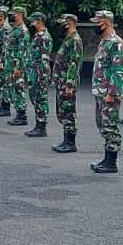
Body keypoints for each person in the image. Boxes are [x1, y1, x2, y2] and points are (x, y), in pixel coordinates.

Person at [89, 10, 123, 175]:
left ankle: (111, 162)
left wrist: (112, 93)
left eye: (97, 22)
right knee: (102, 124)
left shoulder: (116, 42)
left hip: (108, 93)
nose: (95, 25)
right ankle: (106, 158)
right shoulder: (104, 41)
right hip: (101, 90)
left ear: (105, 23)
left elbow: (118, 70)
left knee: (110, 125)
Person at [51, 13, 84, 153]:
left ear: (69, 23)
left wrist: (70, 84)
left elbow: (74, 63)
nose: (60, 25)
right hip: (61, 81)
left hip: (66, 83)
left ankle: (70, 143)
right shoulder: (68, 39)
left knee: (68, 111)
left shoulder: (75, 40)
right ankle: (66, 140)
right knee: (62, 111)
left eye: (62, 23)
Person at [22, 11, 53, 137]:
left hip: (40, 74)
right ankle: (38, 124)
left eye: (33, 20)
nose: (31, 22)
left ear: (40, 20)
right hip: (33, 73)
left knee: (41, 99)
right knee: (35, 99)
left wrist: (41, 77)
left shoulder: (44, 37)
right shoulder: (38, 36)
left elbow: (44, 60)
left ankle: (41, 127)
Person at [5, 7, 31, 126]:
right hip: (10, 65)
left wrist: (18, 67)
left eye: (14, 14)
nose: (12, 16)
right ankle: (18, 113)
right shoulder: (14, 29)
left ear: (20, 15)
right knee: (13, 89)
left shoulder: (23, 30)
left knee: (18, 89)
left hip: (16, 66)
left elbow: (22, 50)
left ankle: (22, 115)